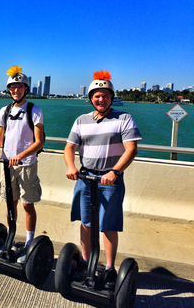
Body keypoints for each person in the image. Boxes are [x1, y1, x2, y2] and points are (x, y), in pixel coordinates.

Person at [64, 70, 142, 290]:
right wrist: (71, 166)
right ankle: (86, 263)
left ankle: (109, 268)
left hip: (110, 180)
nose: (101, 99)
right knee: (86, 223)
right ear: (91, 98)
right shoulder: (81, 120)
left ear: (111, 97)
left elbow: (131, 149)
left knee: (108, 225)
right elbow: (69, 147)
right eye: (96, 95)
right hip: (85, 176)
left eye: (105, 95)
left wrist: (114, 172)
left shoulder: (124, 118)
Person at [0, 66, 44, 263]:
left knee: (28, 205)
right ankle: (10, 238)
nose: (15, 91)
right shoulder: (5, 110)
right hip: (7, 164)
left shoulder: (34, 110)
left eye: (19, 87)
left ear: (25, 89)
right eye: (12, 88)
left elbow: (39, 142)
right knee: (11, 203)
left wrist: (21, 155)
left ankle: (28, 243)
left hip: (26, 165)